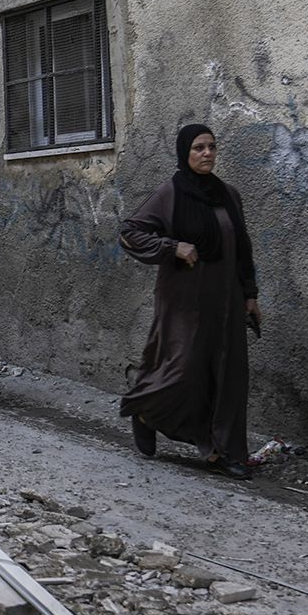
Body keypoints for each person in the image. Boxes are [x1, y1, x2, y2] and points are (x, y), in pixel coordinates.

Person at [118, 123, 262, 480]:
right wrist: (171, 246)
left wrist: (250, 294)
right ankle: (146, 413)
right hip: (183, 300)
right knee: (182, 369)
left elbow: (242, 247)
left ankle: (224, 452)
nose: (207, 154)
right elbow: (130, 232)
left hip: (225, 300)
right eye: (199, 148)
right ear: (185, 152)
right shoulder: (170, 193)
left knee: (229, 375)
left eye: (212, 147)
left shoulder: (229, 194)